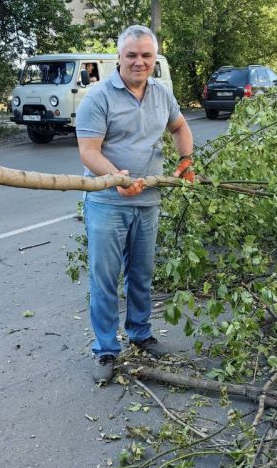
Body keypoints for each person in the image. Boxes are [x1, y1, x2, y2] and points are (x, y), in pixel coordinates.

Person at [76, 25, 194, 384]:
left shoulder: (162, 94)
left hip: (148, 201)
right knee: (106, 278)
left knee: (141, 274)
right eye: (132, 55)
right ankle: (106, 349)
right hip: (108, 202)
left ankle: (141, 335)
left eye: (146, 55)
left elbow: (179, 127)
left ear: (154, 58)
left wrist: (187, 159)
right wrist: (117, 177)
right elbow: (88, 152)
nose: (139, 62)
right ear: (119, 58)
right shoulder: (98, 97)